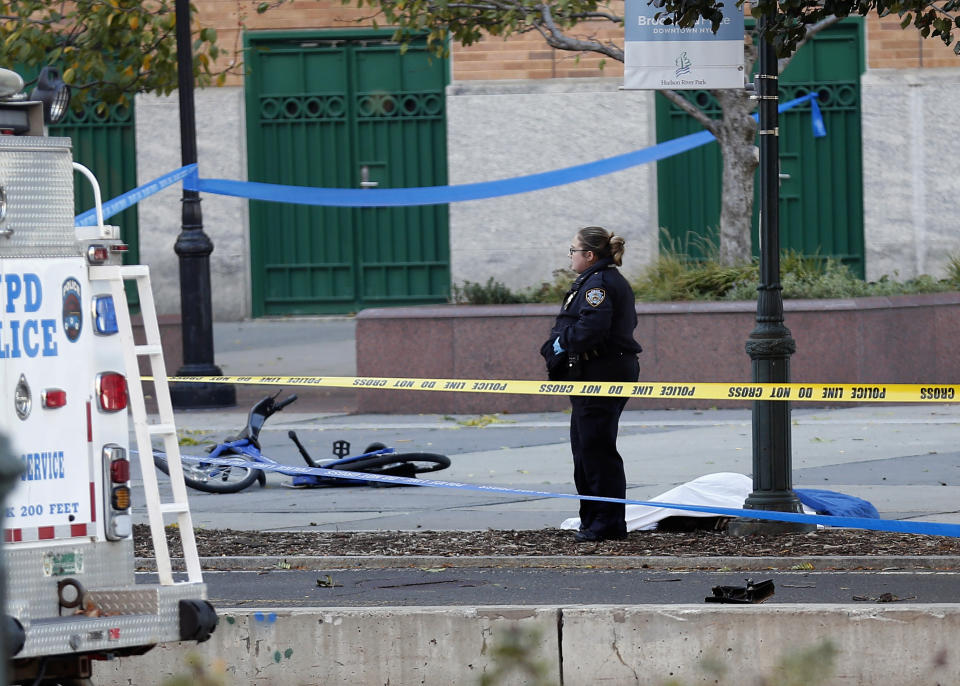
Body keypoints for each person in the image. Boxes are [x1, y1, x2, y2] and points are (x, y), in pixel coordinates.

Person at [540, 226, 642, 542]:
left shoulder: (599, 283)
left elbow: (591, 329)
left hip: (602, 374)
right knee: (585, 448)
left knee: (596, 450)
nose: (570, 255)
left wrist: (560, 344)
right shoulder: (595, 280)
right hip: (592, 373)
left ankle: (607, 523)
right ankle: (593, 519)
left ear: (589, 255)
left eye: (573, 250)